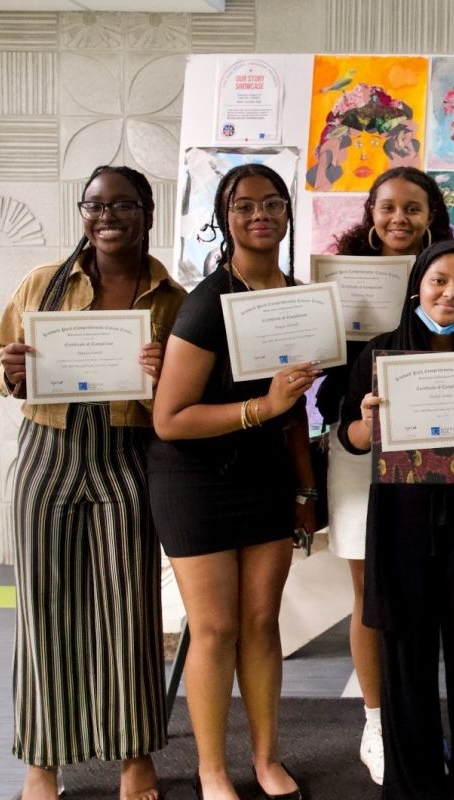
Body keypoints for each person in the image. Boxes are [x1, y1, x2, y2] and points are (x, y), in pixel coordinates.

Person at [0, 165, 184, 800]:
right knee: (44, 610)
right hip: (47, 453)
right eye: (94, 206)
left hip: (126, 456)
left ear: (147, 212)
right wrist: (10, 371)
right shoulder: (43, 285)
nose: (107, 217)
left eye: (122, 205)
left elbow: (186, 391)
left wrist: (163, 374)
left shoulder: (170, 297)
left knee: (129, 612)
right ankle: (44, 761)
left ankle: (134, 758)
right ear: (83, 213)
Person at [149, 163, 319, 800]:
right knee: (216, 627)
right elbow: (170, 419)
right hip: (195, 478)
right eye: (245, 205)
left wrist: (305, 492)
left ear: (286, 213)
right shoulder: (205, 302)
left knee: (262, 621)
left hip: (266, 476)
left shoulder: (294, 296)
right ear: (224, 217)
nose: (260, 215)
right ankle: (212, 771)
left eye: (272, 203)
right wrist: (261, 409)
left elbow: (295, 408)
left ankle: (267, 759)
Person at [337, 240, 454, 799]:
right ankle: (411, 783)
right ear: (418, 283)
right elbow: (350, 438)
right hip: (402, 528)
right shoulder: (379, 355)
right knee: (405, 662)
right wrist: (368, 423)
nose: (451, 293)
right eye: (440, 280)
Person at [315, 166, 453, 786]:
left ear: (432, 216)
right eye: (388, 207)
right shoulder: (337, 282)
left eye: (413, 209)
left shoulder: (449, 274)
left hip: (432, 448)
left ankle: (422, 719)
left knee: (430, 591)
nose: (399, 219)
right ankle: (376, 720)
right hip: (357, 445)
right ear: (370, 213)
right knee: (371, 594)